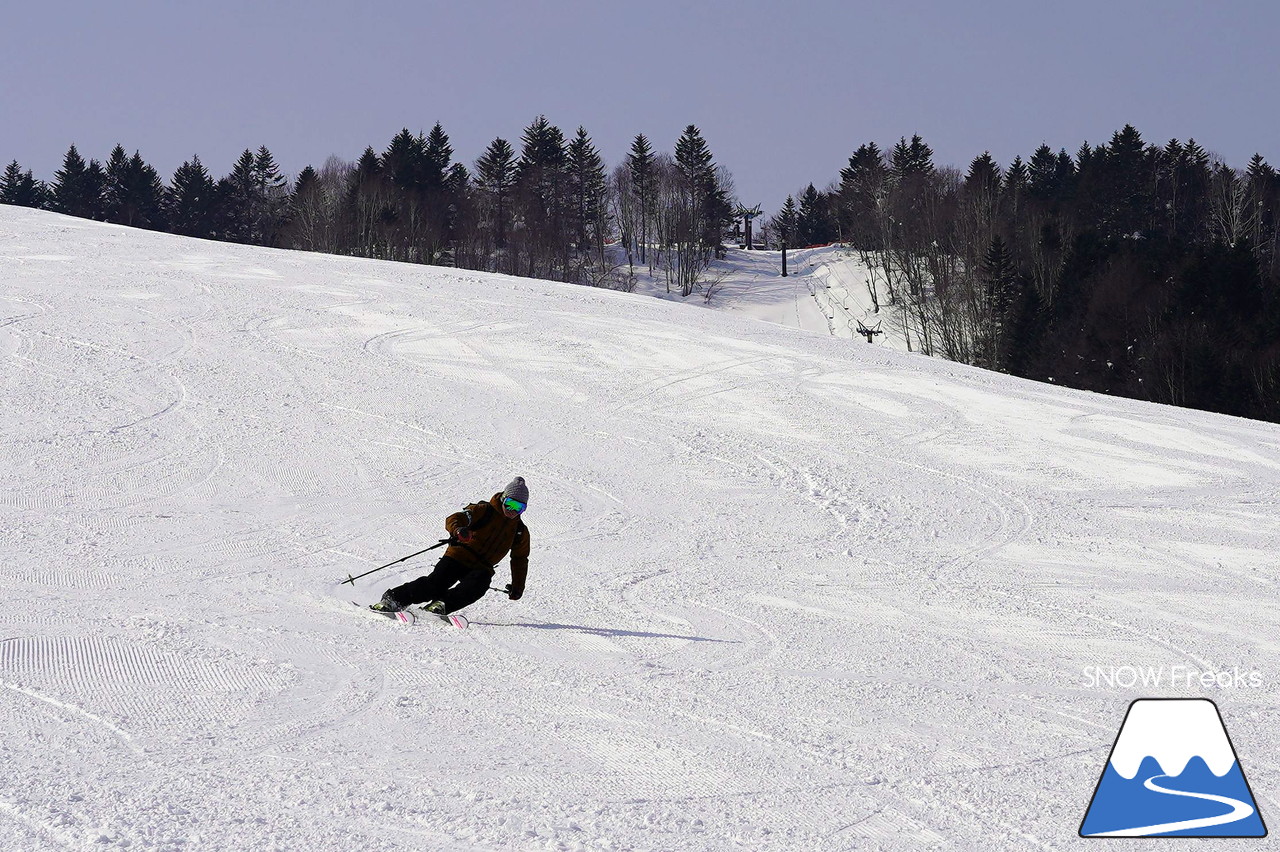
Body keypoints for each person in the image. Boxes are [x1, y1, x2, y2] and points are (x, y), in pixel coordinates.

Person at [371, 477, 530, 616]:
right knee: (436, 584)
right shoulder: (484, 510)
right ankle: (393, 599)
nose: (512, 511)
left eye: (519, 508)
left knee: (478, 585)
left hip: (482, 566)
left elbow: (520, 559)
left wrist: (517, 586)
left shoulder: (519, 531)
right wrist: (458, 529)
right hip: (459, 555)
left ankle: (441, 605)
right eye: (510, 504)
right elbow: (456, 518)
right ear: (503, 498)